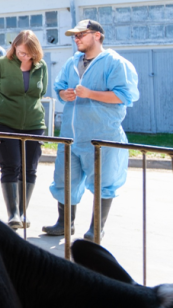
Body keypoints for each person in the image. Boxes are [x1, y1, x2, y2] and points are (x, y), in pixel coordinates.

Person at [43, 20, 139, 241]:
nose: (76, 39)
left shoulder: (116, 63)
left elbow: (125, 96)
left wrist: (90, 93)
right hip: (70, 136)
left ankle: (96, 228)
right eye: (75, 36)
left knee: (103, 182)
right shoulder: (72, 62)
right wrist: (64, 94)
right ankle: (64, 223)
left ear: (97, 35)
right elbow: (59, 87)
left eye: (81, 34)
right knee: (65, 179)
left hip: (102, 135)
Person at [0, 30, 48, 229]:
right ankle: (13, 214)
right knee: (10, 166)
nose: (25, 56)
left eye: (29, 54)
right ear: (14, 47)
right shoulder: (1, 64)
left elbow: (41, 92)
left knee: (30, 169)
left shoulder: (41, 66)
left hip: (34, 124)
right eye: (21, 52)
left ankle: (23, 212)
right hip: (4, 122)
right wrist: (3, 109)